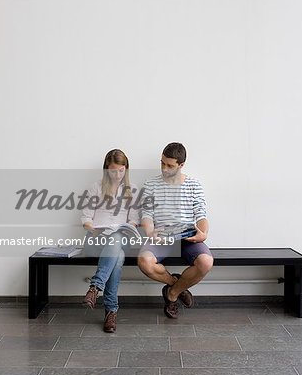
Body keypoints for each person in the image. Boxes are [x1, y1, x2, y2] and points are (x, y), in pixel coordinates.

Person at [138, 142, 214, 319]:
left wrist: (203, 234)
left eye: (170, 165)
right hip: (161, 238)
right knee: (144, 261)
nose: (164, 168)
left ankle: (172, 294)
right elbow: (146, 214)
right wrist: (150, 232)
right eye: (162, 163)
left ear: (181, 165)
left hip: (187, 238)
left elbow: (201, 214)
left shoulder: (194, 184)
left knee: (206, 263)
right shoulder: (151, 183)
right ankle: (177, 285)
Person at [81, 149, 139, 332]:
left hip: (121, 238)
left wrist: (129, 226)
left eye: (121, 171)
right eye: (113, 171)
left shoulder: (133, 190)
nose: (117, 175)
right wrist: (94, 229)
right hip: (96, 241)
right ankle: (111, 311)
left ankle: (95, 288)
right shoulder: (95, 188)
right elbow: (86, 219)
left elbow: (133, 220)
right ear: (106, 169)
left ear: (126, 169)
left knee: (116, 239)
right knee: (118, 256)